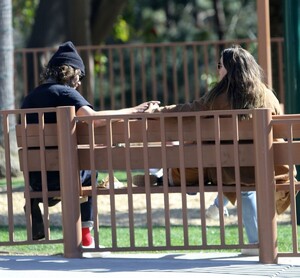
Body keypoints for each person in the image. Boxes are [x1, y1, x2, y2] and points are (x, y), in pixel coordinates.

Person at [133, 45, 292, 254]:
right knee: (246, 180)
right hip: (270, 168)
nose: (218, 70)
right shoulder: (267, 95)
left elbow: (188, 110)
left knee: (234, 177)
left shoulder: (217, 97)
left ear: (229, 69)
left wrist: (158, 111)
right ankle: (238, 222)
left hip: (228, 171)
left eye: (220, 66)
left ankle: (254, 241)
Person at [21, 41, 159, 247]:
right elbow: (94, 119)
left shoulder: (30, 98)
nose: (79, 83)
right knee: (89, 172)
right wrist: (134, 111)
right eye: (79, 77)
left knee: (79, 167)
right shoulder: (65, 93)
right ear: (70, 72)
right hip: (63, 177)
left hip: (36, 178)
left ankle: (39, 204)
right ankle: (85, 237)